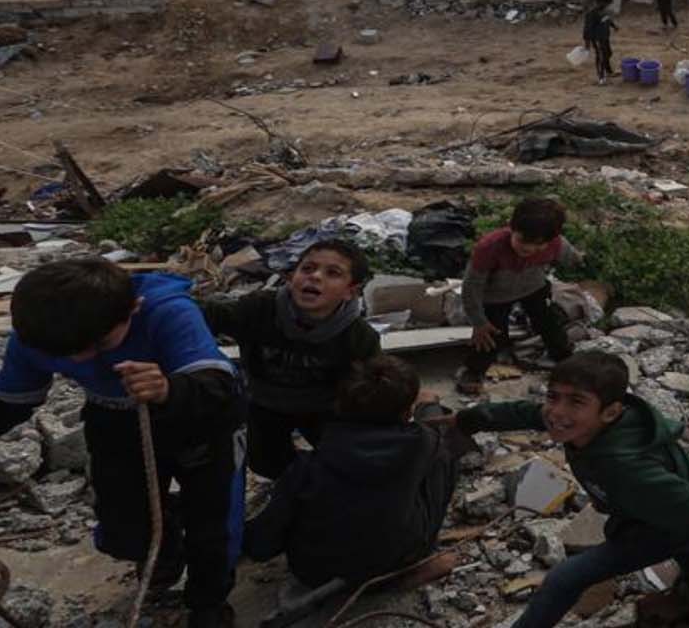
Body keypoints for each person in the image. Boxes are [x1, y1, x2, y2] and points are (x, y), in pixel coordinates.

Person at [0, 259, 245, 628]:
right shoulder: (42, 335)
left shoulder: (166, 311)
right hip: (116, 422)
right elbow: (4, 403)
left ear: (133, 309)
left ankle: (209, 602)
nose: (81, 358)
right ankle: (162, 547)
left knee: (213, 523)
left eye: (99, 344)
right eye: (65, 353)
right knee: (123, 527)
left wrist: (168, 389)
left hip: (203, 421)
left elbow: (217, 385)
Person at [454, 353, 689, 628]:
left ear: (611, 412)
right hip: (653, 509)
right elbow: (529, 413)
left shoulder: (624, 467)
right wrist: (469, 420)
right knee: (687, 542)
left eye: (576, 402)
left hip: (664, 522)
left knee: (565, 578)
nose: (557, 412)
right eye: (553, 397)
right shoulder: (594, 423)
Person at [244, 357, 467, 588]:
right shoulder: (421, 445)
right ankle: (405, 570)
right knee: (447, 453)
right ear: (405, 413)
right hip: (395, 560)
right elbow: (438, 429)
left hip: (314, 572)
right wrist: (428, 405)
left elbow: (262, 544)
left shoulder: (308, 465)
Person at [201, 239, 381, 480]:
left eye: (333, 273)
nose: (315, 276)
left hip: (325, 409)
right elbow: (208, 316)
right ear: (290, 277)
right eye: (307, 268)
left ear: (351, 291)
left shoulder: (358, 337)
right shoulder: (259, 309)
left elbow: (375, 385)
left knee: (344, 461)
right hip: (265, 402)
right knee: (265, 464)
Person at [458, 198, 582, 393]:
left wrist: (582, 261)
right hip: (495, 296)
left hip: (534, 287)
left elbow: (574, 259)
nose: (529, 249)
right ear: (512, 227)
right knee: (491, 335)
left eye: (538, 245)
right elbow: (471, 286)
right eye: (523, 241)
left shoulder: (556, 244)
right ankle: (473, 370)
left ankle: (564, 358)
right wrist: (478, 321)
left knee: (549, 323)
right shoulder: (489, 247)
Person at [582, 0, 616, 86]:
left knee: (608, 53)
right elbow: (587, 29)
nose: (607, 6)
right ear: (600, 2)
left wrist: (614, 26)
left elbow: (608, 20)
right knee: (601, 56)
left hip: (605, 37)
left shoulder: (604, 11)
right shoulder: (591, 14)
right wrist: (587, 43)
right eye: (606, 4)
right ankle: (601, 78)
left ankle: (608, 71)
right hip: (597, 38)